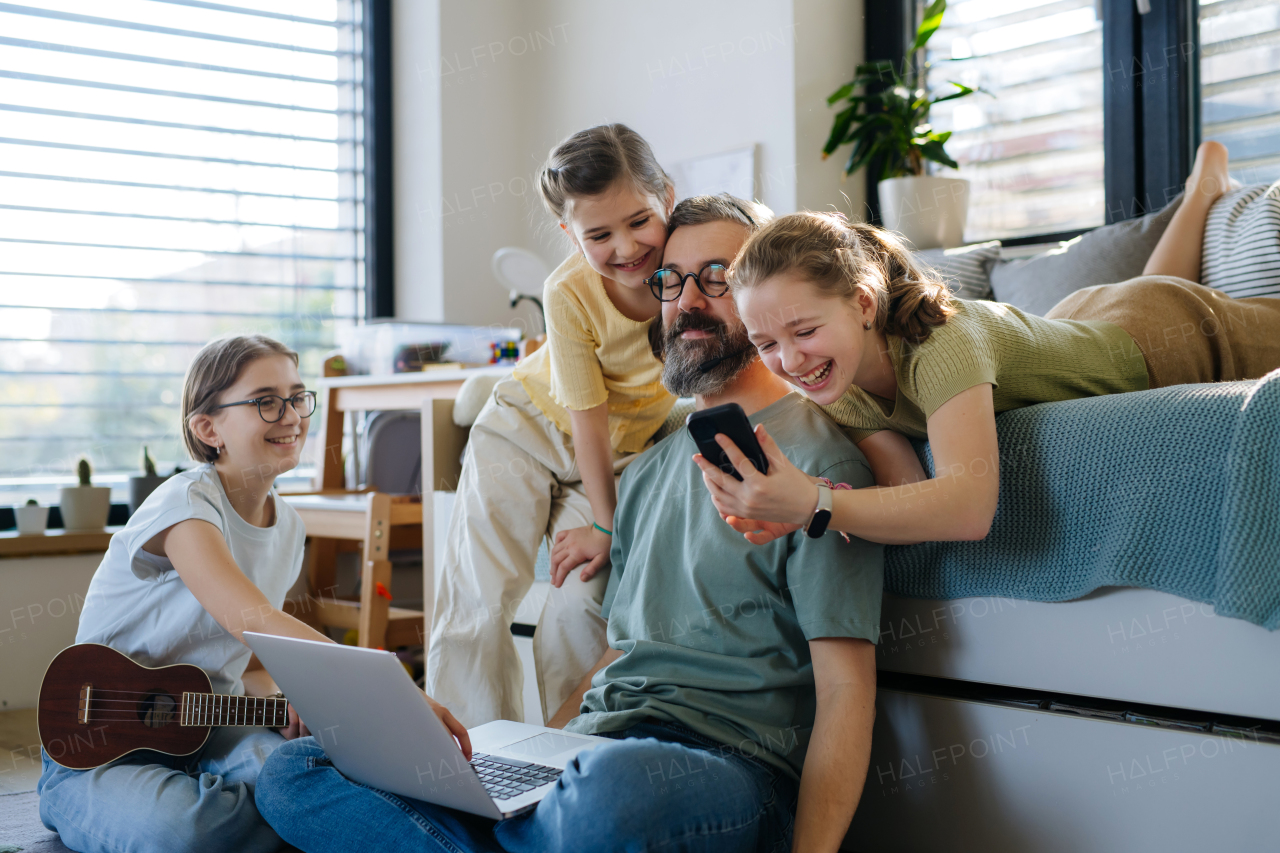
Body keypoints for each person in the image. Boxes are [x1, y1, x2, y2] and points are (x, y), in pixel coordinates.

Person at [254, 194, 883, 853]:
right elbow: (619, 650)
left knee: (609, 788)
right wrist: (534, 753)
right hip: (593, 755)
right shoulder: (644, 472)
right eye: (670, 279)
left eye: (718, 276)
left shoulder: (818, 469)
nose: (687, 300)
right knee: (299, 766)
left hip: (721, 771)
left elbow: (844, 689)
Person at [695, 141, 1280, 548]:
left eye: (804, 331)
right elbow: (912, 496)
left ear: (864, 304)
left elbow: (968, 508)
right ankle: (1202, 187)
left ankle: (1205, 185)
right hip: (1082, 318)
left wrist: (815, 505)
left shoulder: (942, 343)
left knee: (1175, 296)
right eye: (765, 342)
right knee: (1143, 285)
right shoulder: (834, 383)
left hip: (1165, 337)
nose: (790, 361)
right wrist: (801, 510)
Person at [36, 334, 469, 853]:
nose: (290, 415)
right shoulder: (185, 507)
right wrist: (399, 697)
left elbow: (245, 665)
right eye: (265, 401)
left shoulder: (287, 528)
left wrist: (290, 700)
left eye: (297, 396)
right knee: (185, 832)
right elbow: (255, 621)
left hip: (210, 725)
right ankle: (83, 800)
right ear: (207, 427)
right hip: (101, 744)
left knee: (311, 774)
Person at [427, 124, 680, 728]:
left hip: (615, 457)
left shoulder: (691, 268)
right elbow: (586, 421)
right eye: (599, 234)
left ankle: (562, 747)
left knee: (579, 605)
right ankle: (460, 754)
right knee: (482, 597)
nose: (625, 246)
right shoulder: (568, 290)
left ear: (667, 197)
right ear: (571, 235)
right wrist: (605, 521)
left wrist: (602, 531)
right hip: (527, 430)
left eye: (639, 221)